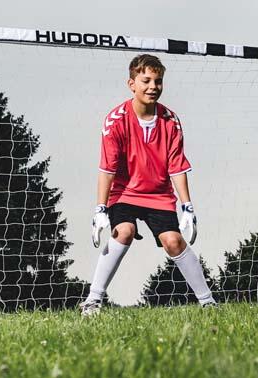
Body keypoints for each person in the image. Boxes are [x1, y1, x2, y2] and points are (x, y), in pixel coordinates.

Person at [79, 54, 216, 315]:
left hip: (158, 194)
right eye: (146, 80)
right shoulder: (115, 121)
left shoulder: (170, 121)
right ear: (131, 84)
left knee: (174, 241)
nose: (153, 86)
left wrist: (187, 206)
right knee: (124, 231)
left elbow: (176, 165)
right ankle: (93, 301)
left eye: (158, 81)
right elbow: (107, 168)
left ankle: (208, 302)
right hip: (124, 192)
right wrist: (100, 209)